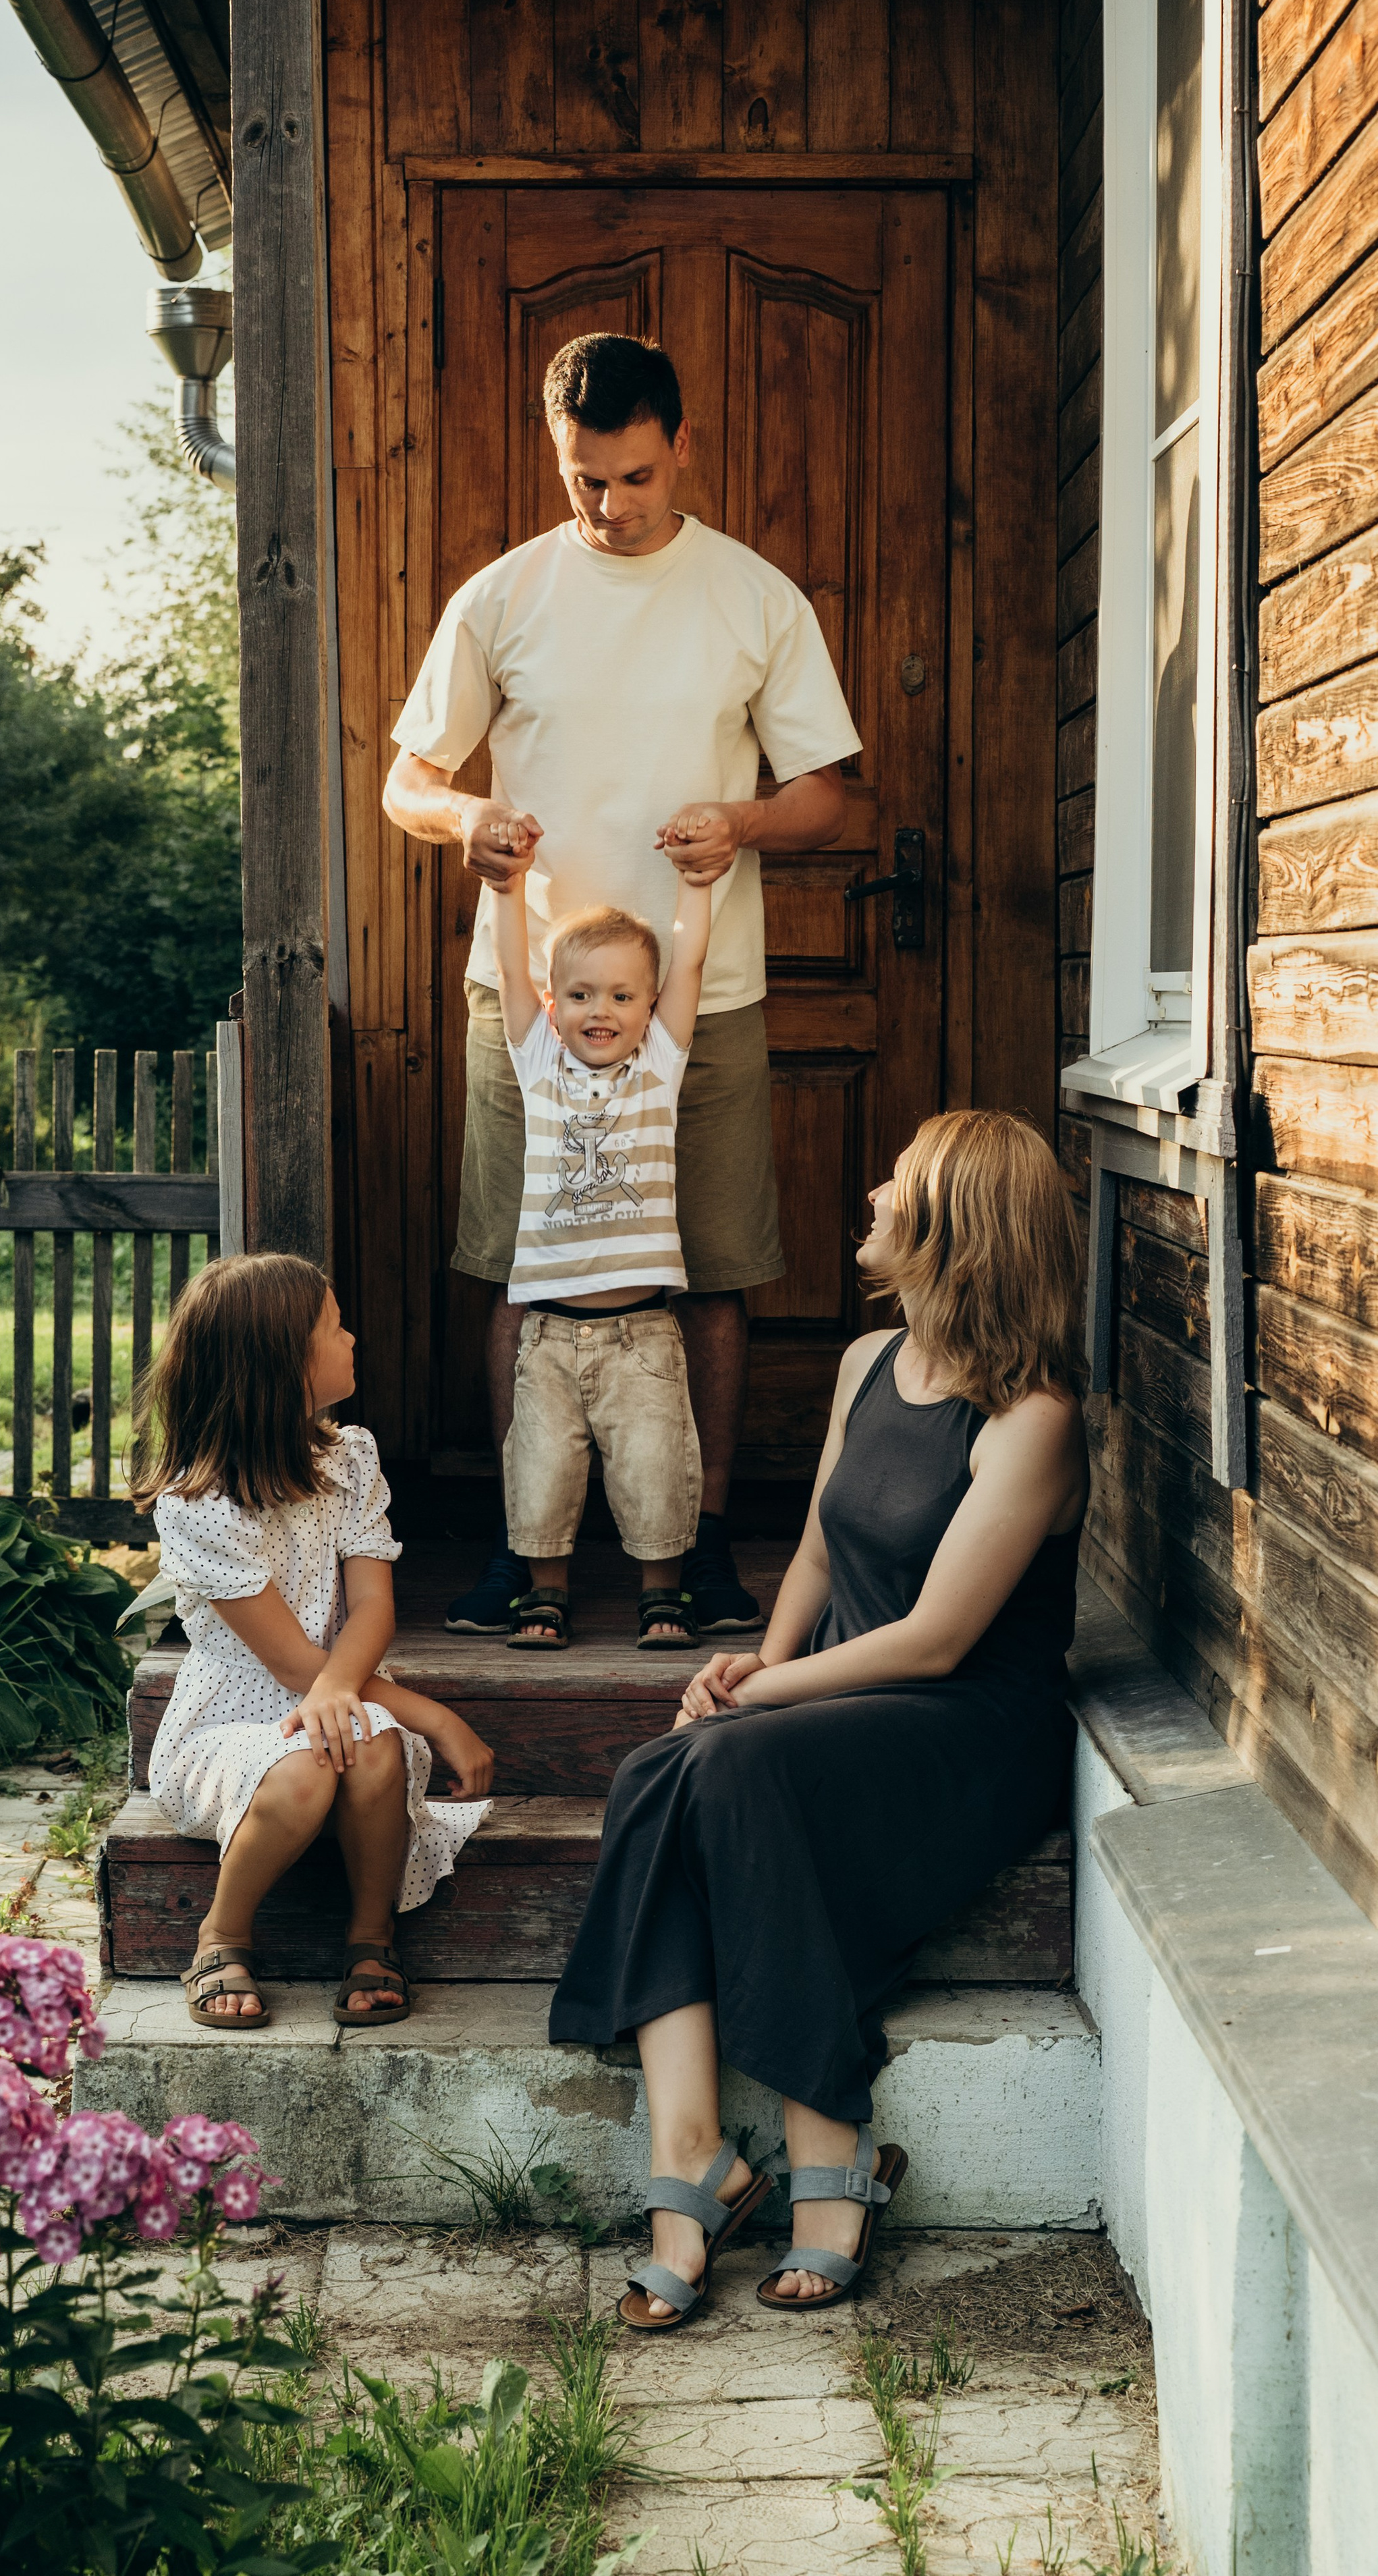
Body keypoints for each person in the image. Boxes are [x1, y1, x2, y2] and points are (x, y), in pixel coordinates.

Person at [548, 1113, 1088, 2330]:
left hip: (965, 1728)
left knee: (723, 1764)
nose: (876, 1187)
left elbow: (940, 1638)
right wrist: (763, 1660)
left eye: (899, 1178)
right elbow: (812, 1557)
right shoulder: (864, 1364)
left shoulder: (1034, 1414)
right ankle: (695, 2161)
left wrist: (752, 1695)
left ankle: (819, 2138)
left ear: (954, 1223)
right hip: (840, 1702)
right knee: (661, 1769)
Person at [382, 329, 860, 1637]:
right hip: (527, 1004)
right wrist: (459, 818)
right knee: (508, 1267)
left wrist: (744, 825)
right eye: (583, 478)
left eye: (632, 476)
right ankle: (514, 1551)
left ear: (680, 446)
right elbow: (404, 780)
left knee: (708, 1271)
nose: (607, 505)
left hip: (700, 1001)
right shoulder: (500, 597)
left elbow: (827, 794)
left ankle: (695, 1549)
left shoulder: (755, 599)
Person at [130, 1253, 495, 2033]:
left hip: (344, 1685)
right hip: (231, 1723)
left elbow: (371, 1607)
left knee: (374, 1749)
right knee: (303, 1772)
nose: (354, 1338)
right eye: (334, 1328)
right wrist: (434, 1713)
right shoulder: (200, 1507)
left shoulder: (350, 1458)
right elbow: (291, 1663)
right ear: (282, 1364)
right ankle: (221, 1933)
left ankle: (372, 1938)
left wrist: (341, 1693)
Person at [488, 851, 713, 1649]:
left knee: (654, 1467)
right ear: (554, 1007)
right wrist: (506, 890)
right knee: (544, 1471)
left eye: (621, 996)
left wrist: (696, 886)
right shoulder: (540, 1066)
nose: (600, 1010)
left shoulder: (658, 1068)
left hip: (642, 1335)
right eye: (580, 995)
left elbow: (689, 961)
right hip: (546, 1333)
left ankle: (662, 1597)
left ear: (650, 1007)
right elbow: (511, 970)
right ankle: (546, 1596)